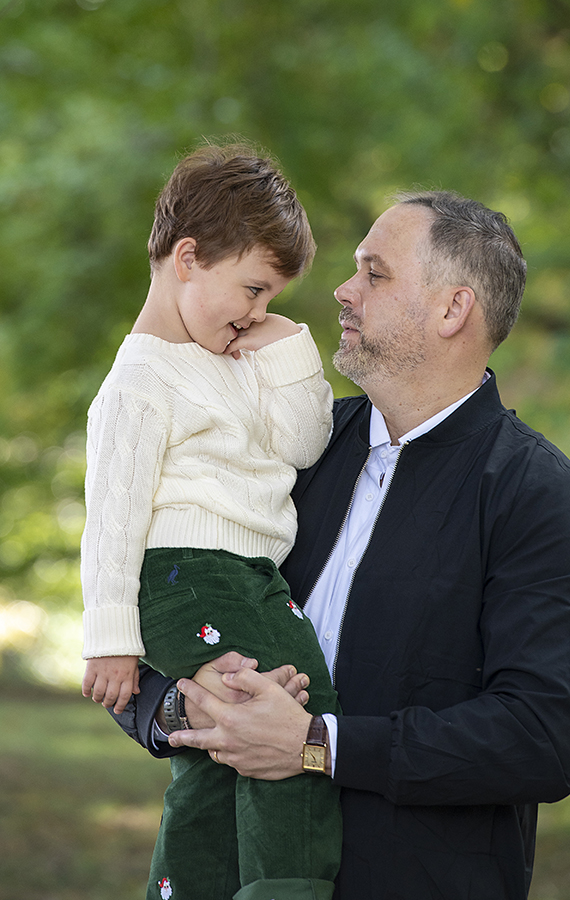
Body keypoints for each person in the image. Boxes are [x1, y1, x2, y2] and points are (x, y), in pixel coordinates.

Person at [110, 190, 570, 900]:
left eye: (374, 273)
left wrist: (315, 743)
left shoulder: (535, 495)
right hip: (228, 873)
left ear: (451, 309)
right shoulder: (285, 446)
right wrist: (185, 708)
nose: (342, 290)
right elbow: (142, 603)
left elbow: (539, 740)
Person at [80, 142, 342, 900]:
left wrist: (288, 346)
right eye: (253, 290)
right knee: (294, 711)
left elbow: (302, 443)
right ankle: (287, 886)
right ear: (187, 257)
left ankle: (188, 887)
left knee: (220, 746)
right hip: (190, 576)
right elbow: (112, 518)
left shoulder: (232, 360)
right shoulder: (140, 380)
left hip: (244, 580)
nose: (256, 314)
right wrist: (110, 640)